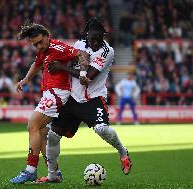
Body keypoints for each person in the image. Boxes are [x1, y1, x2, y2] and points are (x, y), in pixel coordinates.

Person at [37, 17, 132, 183]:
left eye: (99, 39)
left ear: (103, 36)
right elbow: (71, 60)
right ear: (86, 35)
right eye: (92, 39)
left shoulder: (107, 51)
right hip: (73, 98)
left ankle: (123, 152)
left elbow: (88, 77)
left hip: (93, 98)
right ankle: (52, 175)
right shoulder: (79, 44)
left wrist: (61, 67)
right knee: (52, 136)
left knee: (102, 130)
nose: (95, 43)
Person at [10, 23, 89, 184]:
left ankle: (30, 170)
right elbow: (37, 64)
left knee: (32, 124)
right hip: (50, 93)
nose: (38, 46)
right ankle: (54, 173)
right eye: (35, 44)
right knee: (42, 133)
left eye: (40, 42)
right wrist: (25, 80)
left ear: (47, 36)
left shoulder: (58, 48)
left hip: (57, 93)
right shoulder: (43, 51)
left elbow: (83, 54)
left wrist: (82, 74)